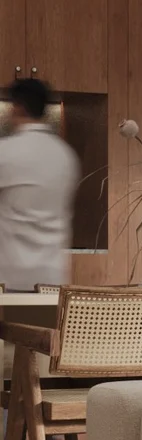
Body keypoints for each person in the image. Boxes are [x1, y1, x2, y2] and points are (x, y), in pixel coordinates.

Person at [0, 78, 81, 292]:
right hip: (52, 278)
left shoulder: (6, 152)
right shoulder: (65, 155)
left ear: (17, 107)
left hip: (10, 277)